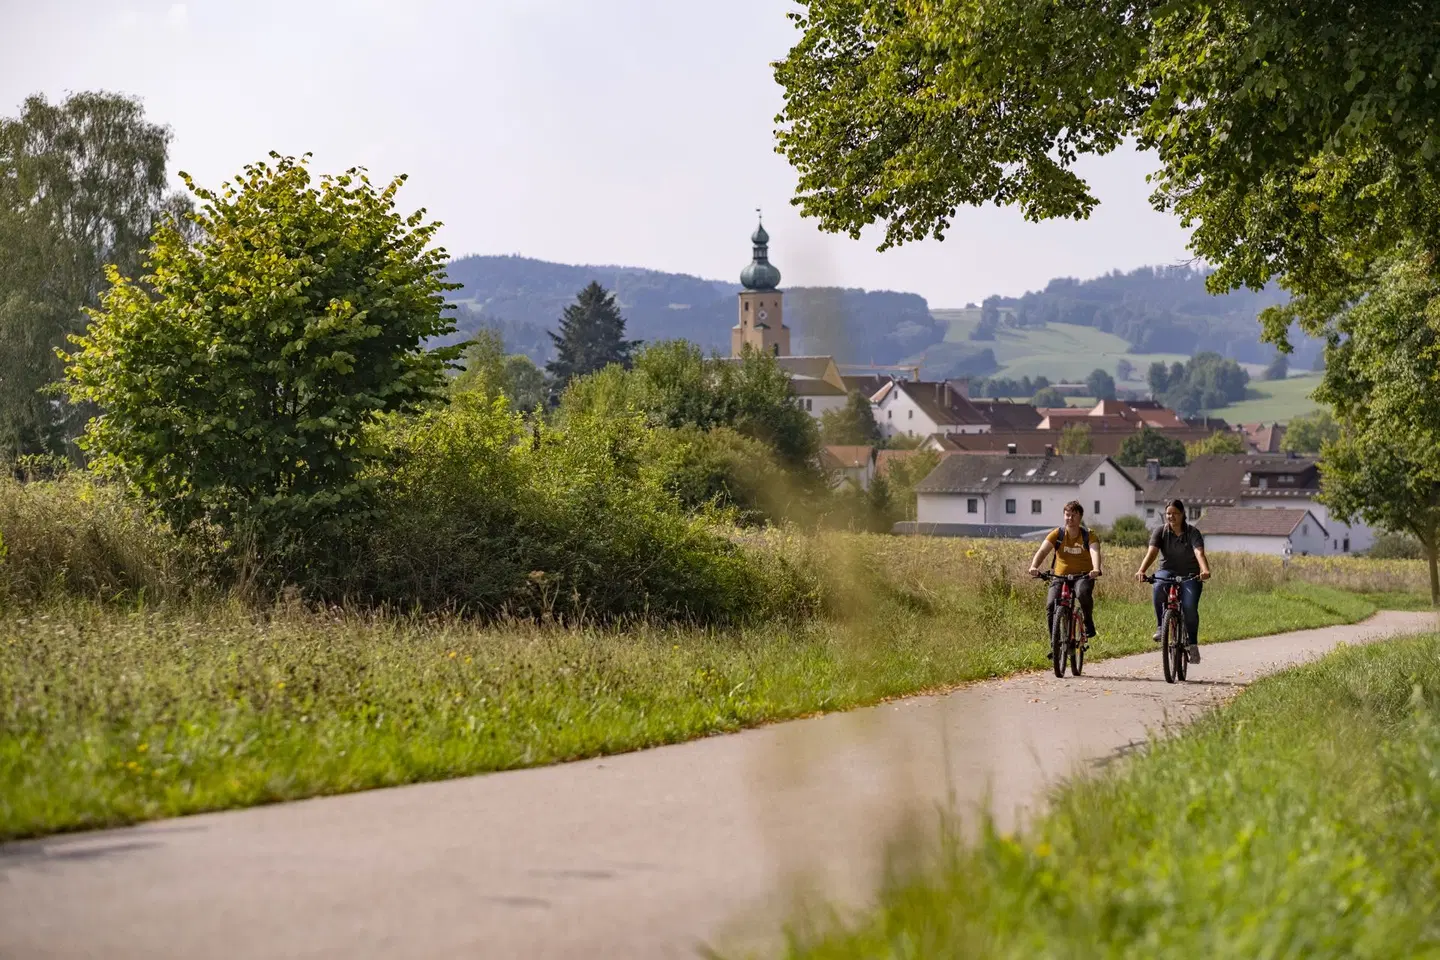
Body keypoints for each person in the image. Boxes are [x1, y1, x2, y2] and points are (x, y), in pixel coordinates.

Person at [1134, 499, 1212, 663]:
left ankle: (1192, 645)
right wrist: (1142, 570)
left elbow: (1199, 553)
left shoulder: (1192, 532)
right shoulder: (1160, 532)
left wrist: (1204, 570)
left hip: (1190, 574)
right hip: (1167, 571)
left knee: (1189, 607)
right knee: (1158, 587)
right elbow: (1152, 553)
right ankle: (1161, 626)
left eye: (1175, 513)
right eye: (1168, 513)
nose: (1171, 517)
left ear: (1183, 514)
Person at [1028, 500, 1103, 646]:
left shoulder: (1088, 535)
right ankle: (1054, 643)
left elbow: (1094, 550)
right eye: (1067, 515)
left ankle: (1088, 622)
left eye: (1073, 515)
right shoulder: (1058, 534)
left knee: (1082, 593)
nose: (1070, 518)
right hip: (1059, 576)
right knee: (1051, 605)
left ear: (1080, 517)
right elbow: (1043, 551)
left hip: (1084, 575)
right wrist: (1034, 566)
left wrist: (1096, 568)